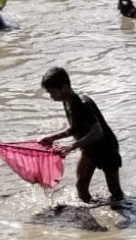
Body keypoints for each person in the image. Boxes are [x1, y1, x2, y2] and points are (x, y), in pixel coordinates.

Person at [37, 67, 125, 203]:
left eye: (52, 92)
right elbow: (74, 128)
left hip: (107, 148)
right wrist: (52, 138)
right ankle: (92, 210)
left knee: (114, 190)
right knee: (81, 185)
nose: (51, 97)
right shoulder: (66, 102)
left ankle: (125, 212)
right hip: (89, 148)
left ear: (65, 88)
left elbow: (98, 132)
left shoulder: (84, 104)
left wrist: (72, 146)